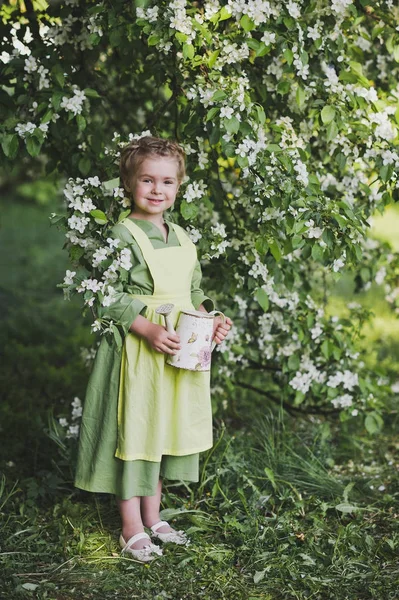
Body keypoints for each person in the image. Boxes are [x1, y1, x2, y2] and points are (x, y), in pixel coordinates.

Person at [74, 136, 232, 562]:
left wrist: (210, 318)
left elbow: (193, 290)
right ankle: (130, 526)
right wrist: (144, 328)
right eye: (147, 180)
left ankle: (154, 515)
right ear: (129, 182)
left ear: (179, 186)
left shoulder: (180, 235)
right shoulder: (121, 235)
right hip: (138, 354)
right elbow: (105, 294)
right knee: (137, 432)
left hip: (177, 352)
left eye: (167, 181)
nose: (157, 190)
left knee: (161, 430)